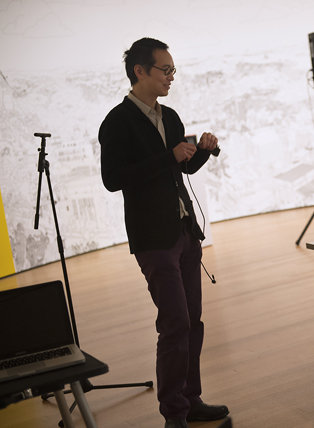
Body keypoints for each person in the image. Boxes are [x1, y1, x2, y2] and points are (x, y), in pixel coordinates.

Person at [99, 38, 228, 428]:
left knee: (193, 319)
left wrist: (201, 151)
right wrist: (166, 157)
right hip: (154, 240)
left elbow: (182, 170)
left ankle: (191, 399)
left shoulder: (170, 116)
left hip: (185, 234)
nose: (171, 77)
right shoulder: (117, 122)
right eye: (165, 70)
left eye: (173, 70)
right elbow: (113, 179)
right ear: (140, 71)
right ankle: (174, 414)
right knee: (175, 322)